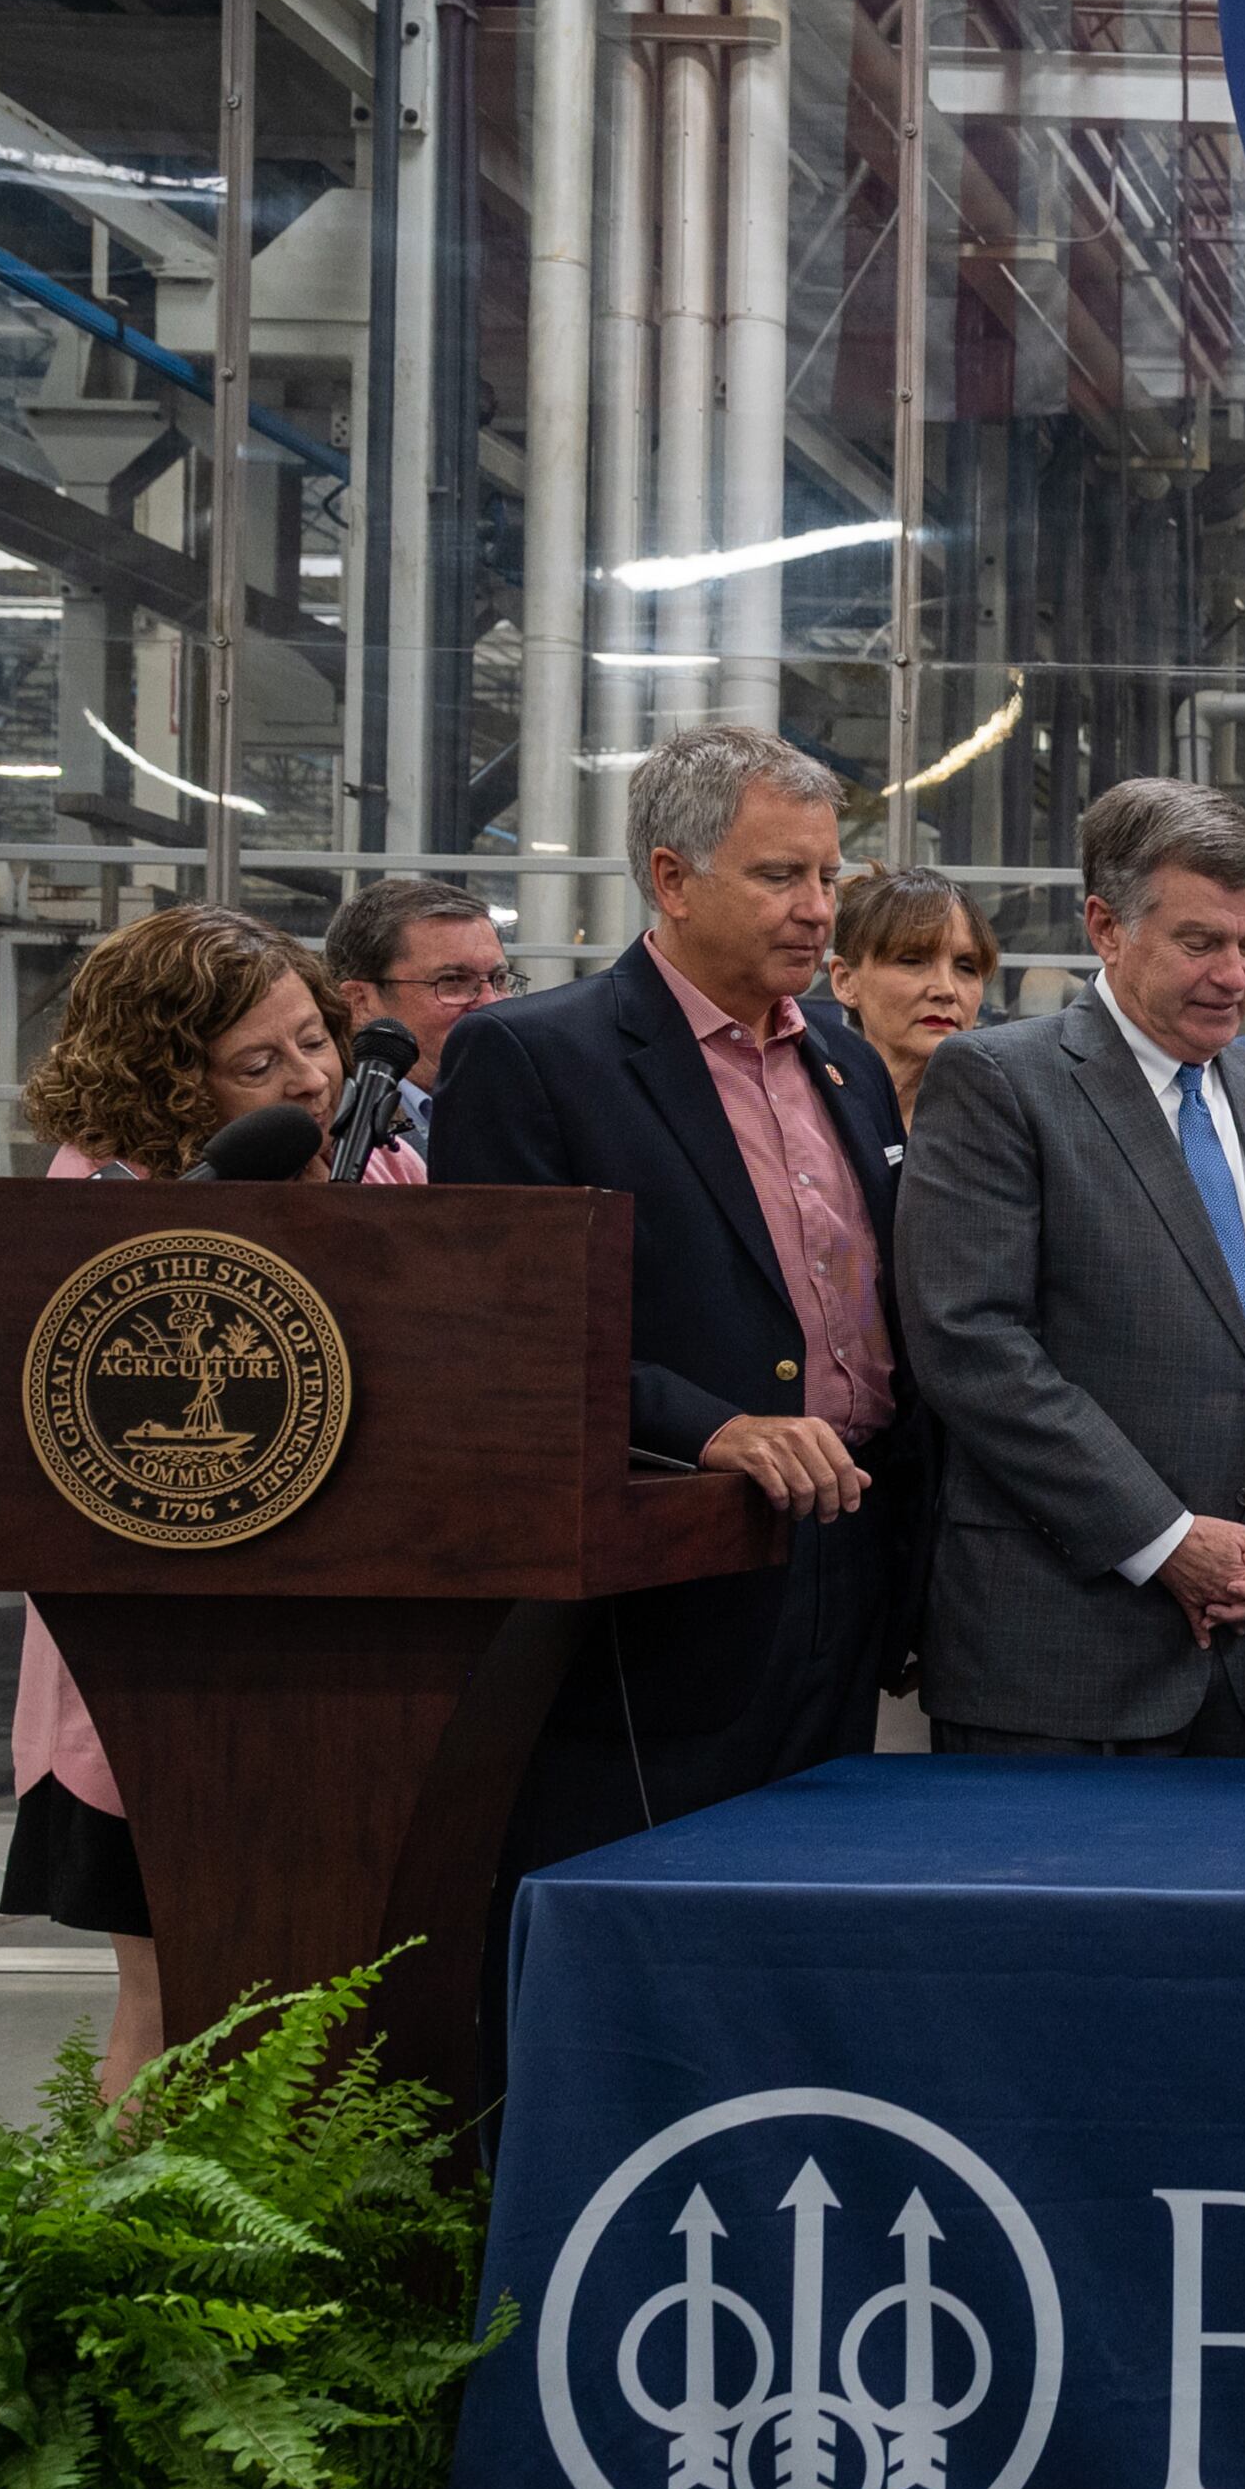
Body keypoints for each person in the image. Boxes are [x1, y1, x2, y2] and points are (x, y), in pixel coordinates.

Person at [429, 723, 912, 1883]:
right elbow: (507, 1334)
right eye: (779, 875)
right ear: (670, 878)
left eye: (828, 876)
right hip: (672, 1583)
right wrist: (710, 1429)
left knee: (814, 1899)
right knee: (665, 1904)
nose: (817, 908)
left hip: (848, 1551)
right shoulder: (535, 1058)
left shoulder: (843, 1061)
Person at [8, 904, 425, 2096]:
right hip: (154, 1668)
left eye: (313, 1042)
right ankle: (123, 2267)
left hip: (350, 1656)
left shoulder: (385, 1162)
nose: (307, 1081)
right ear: (166, 1078)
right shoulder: (109, 1194)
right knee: (174, 2003)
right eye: (260, 1064)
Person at [894, 780, 1245, 1755]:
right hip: (1057, 1672)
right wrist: (1164, 1541)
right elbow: (973, 1347)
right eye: (1199, 942)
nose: (1234, 975)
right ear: (1105, 928)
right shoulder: (1000, 1086)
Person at [322, 875, 514, 1161]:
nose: (491, 1003)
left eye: (498, 979)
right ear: (358, 1002)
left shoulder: (524, 1104)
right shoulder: (333, 1130)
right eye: (452, 981)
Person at [822, 865, 999, 1129]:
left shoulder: (1003, 1122)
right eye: (912, 961)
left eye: (966, 967)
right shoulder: (813, 1116)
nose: (946, 989)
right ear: (845, 982)